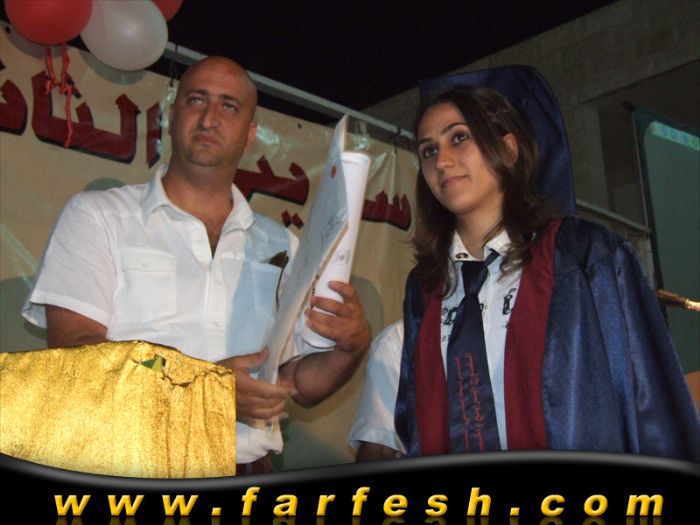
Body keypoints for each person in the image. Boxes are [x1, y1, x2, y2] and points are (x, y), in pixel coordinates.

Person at [22, 56, 371, 474]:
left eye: (229, 106)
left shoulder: (282, 244)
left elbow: (294, 382)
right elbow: (75, 353)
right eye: (196, 100)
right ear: (172, 115)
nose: (208, 119)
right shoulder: (99, 216)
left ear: (251, 134)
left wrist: (351, 348)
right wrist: (201, 388)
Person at [350, 68, 700, 461]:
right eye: (429, 150)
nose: (442, 161)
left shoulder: (584, 256)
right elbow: (416, 424)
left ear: (509, 148)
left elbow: (650, 404)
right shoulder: (426, 289)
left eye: (459, 137)